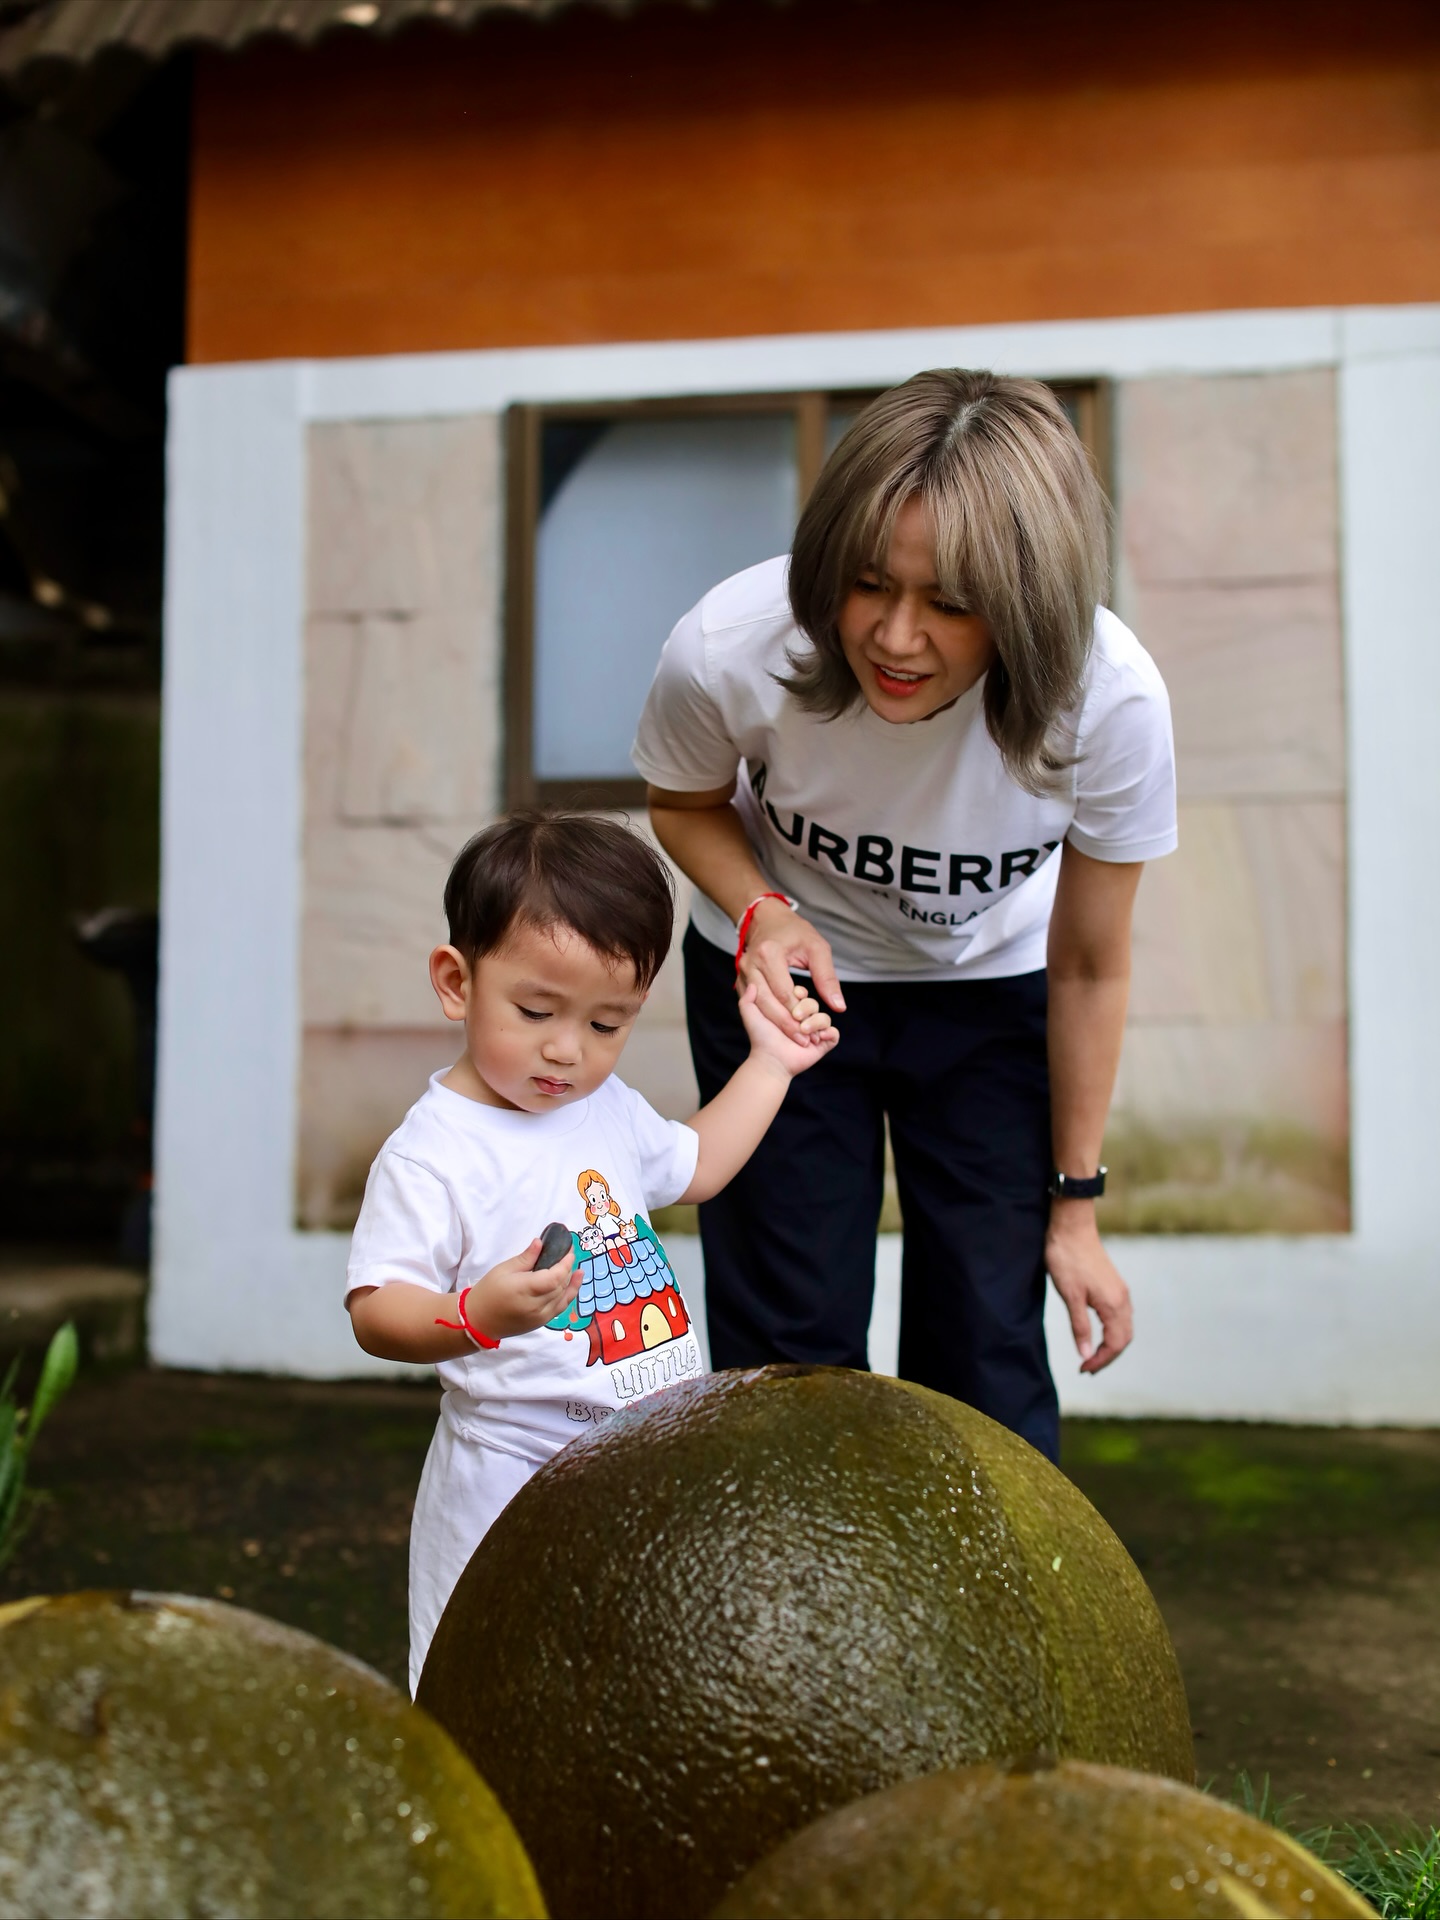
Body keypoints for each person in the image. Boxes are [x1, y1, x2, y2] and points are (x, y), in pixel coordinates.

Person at [633, 369, 1177, 1464]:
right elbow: (682, 804)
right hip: (787, 985)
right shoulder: (735, 644)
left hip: (990, 997)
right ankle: (785, 1612)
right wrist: (763, 910)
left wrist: (1075, 1208)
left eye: (952, 603)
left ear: (1027, 600)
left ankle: (994, 1625)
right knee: (790, 1348)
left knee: (983, 1345)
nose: (896, 636)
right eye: (870, 584)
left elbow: (1087, 966)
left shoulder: (1108, 701)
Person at [344, 810, 836, 1692]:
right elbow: (377, 1310)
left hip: (647, 1453)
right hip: (510, 1464)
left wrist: (771, 1063)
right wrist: (473, 1316)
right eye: (536, 1011)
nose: (568, 1051)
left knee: (630, 1678)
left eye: (609, 1025)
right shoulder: (434, 1153)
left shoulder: (601, 1108)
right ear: (457, 983)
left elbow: (698, 1165)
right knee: (486, 1670)